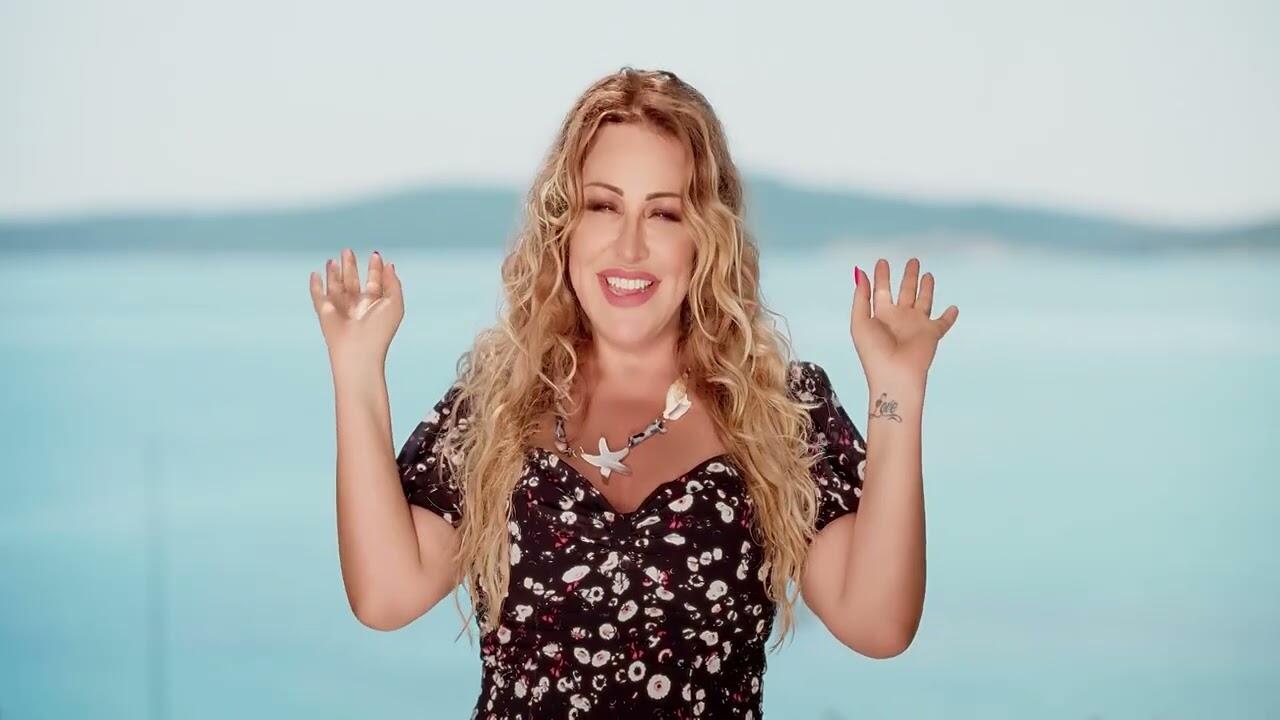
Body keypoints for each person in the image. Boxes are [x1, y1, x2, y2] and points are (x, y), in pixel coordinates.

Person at [312, 66, 957, 719]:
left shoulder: (781, 411)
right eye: (604, 206)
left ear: (706, 237)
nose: (629, 246)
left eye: (664, 213)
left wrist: (896, 389)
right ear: (565, 224)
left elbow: (877, 624)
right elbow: (386, 595)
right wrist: (357, 367)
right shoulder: (495, 405)